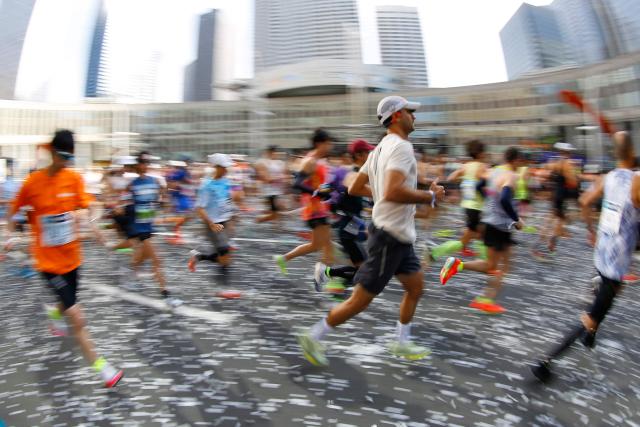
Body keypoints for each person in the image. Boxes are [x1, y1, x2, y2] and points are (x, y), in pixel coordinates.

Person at [297, 96, 445, 366]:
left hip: (397, 234)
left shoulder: (379, 150)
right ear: (397, 115)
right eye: (411, 112)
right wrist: (430, 197)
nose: (415, 116)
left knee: (415, 287)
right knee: (358, 301)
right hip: (389, 236)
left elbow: (356, 188)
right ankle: (313, 335)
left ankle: (401, 342)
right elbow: (392, 190)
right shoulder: (400, 147)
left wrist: (383, 195)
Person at [4, 130, 123, 388]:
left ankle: (54, 314)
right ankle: (103, 368)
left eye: (71, 156)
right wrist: (9, 237)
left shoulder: (73, 179)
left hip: (72, 259)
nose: (67, 161)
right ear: (53, 152)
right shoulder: (32, 182)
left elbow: (91, 204)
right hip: (48, 263)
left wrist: (92, 217)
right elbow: (13, 213)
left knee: (66, 304)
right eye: (64, 156)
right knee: (78, 317)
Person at [531, 131, 640, 382]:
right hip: (618, 256)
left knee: (614, 286)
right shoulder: (636, 180)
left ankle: (592, 328)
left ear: (616, 153)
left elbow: (584, 201)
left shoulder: (608, 177)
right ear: (633, 153)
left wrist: (592, 229)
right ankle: (546, 362)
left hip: (603, 249)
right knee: (594, 314)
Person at [439, 147, 524, 314]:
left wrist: (491, 204)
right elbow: (506, 199)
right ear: (516, 160)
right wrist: (516, 220)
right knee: (503, 266)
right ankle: (484, 299)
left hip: (490, 221)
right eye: (521, 160)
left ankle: (459, 266)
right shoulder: (511, 176)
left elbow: (479, 186)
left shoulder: (494, 172)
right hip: (501, 226)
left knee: (492, 265)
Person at [313, 139, 375, 296]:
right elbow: (350, 186)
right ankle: (327, 274)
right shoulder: (353, 174)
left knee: (364, 268)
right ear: (359, 155)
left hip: (351, 225)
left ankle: (334, 283)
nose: (371, 155)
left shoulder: (352, 172)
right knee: (365, 271)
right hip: (348, 228)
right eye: (368, 152)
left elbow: (325, 189)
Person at [273, 129, 335, 275]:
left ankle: (283, 259)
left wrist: (327, 192)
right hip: (314, 211)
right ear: (319, 143)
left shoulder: (321, 161)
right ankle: (326, 278)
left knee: (321, 245)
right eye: (328, 143)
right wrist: (318, 193)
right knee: (323, 245)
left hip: (321, 208)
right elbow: (297, 184)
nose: (330, 146)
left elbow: (320, 182)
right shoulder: (310, 161)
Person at [128, 152, 181, 307]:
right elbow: (124, 205)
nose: (145, 165)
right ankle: (166, 296)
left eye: (147, 162)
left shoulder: (154, 182)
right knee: (157, 259)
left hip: (150, 226)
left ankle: (132, 273)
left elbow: (161, 200)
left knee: (143, 257)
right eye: (142, 162)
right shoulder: (132, 185)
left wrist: (166, 197)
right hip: (139, 227)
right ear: (137, 165)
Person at [429, 140, 488, 261]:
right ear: (481, 153)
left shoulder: (465, 166)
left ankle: (486, 262)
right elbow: (488, 180)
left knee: (479, 234)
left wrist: (464, 181)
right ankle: (436, 251)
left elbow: (451, 177)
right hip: (476, 206)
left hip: (467, 206)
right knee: (474, 237)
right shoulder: (482, 166)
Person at [188, 154, 236, 281]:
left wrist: (231, 220)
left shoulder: (226, 182)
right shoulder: (206, 185)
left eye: (227, 167)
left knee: (225, 259)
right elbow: (199, 208)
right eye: (224, 167)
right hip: (214, 224)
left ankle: (198, 257)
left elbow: (227, 201)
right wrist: (211, 224)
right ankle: (223, 286)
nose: (227, 170)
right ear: (217, 167)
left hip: (224, 221)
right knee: (224, 254)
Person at [533, 142, 579, 260]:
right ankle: (547, 244)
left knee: (553, 219)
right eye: (569, 152)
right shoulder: (568, 163)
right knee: (559, 220)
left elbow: (544, 175)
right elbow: (572, 182)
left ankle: (544, 244)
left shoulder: (555, 163)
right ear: (567, 152)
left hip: (555, 195)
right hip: (562, 195)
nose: (570, 154)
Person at [255, 146, 286, 224]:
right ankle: (257, 221)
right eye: (274, 153)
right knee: (275, 215)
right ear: (269, 152)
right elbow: (266, 179)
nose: (276, 155)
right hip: (269, 193)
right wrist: (280, 177)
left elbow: (284, 175)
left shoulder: (278, 163)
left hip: (277, 192)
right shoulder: (262, 163)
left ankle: (273, 230)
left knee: (278, 214)